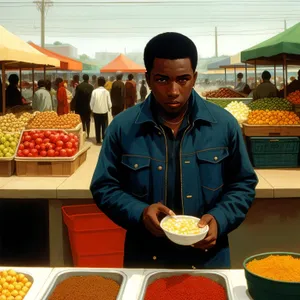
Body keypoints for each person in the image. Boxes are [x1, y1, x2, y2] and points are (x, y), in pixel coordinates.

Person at [90, 32, 258, 269]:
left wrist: (220, 219)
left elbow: (242, 184)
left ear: (194, 77)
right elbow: (104, 186)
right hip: (146, 259)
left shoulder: (223, 124)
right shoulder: (123, 127)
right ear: (148, 79)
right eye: (162, 80)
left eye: (183, 79)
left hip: (209, 260)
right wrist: (140, 212)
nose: (173, 90)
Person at [90, 76, 112, 144]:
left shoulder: (94, 91)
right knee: (104, 126)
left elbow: (91, 103)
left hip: (96, 112)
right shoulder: (106, 92)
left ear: (98, 83)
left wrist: (92, 109)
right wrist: (109, 107)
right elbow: (109, 103)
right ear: (104, 83)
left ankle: (98, 139)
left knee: (97, 126)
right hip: (104, 111)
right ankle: (104, 138)